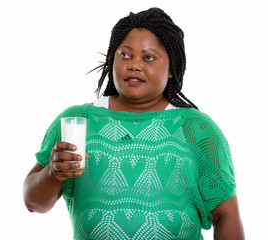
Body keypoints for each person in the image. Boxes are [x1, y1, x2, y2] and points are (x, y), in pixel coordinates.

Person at [23, 7, 244, 240]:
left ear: (171, 68)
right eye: (125, 55)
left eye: (148, 57)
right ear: (112, 59)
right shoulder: (78, 122)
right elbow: (33, 203)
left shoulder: (197, 129)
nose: (134, 65)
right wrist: (53, 173)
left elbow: (226, 214)